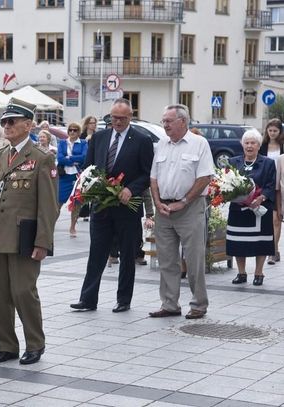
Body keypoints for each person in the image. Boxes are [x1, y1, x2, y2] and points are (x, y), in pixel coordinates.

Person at [0, 98, 59, 365]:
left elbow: (49, 207)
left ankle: (35, 344)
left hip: (24, 239)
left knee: (24, 293)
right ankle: (7, 345)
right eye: (4, 122)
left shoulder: (42, 158)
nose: (7, 125)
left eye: (12, 121)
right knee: (0, 296)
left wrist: (43, 242)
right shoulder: (0, 156)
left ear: (28, 125)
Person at [70, 99, 153, 313]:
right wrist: (88, 187)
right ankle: (87, 299)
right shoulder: (99, 137)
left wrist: (131, 190)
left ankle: (123, 299)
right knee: (96, 252)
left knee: (127, 253)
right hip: (101, 205)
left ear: (130, 117)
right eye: (114, 117)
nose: (117, 121)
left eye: (122, 118)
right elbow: (88, 168)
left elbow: (147, 173)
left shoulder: (142, 140)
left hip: (127, 206)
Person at [149, 104, 214, 319]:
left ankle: (198, 304)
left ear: (182, 121)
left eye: (168, 121)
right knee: (167, 259)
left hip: (190, 208)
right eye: (163, 121)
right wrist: (157, 202)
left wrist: (184, 202)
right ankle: (170, 304)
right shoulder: (161, 144)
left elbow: (205, 177)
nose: (164, 125)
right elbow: (153, 177)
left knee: (194, 258)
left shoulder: (199, 144)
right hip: (164, 210)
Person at [227, 130, 275, 286]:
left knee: (260, 242)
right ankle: (241, 273)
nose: (249, 146)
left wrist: (261, 198)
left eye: (253, 143)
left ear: (259, 145)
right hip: (238, 210)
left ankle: (258, 273)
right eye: (246, 143)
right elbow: (226, 184)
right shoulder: (233, 162)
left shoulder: (267, 163)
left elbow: (270, 184)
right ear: (242, 144)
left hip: (259, 210)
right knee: (238, 242)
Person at [57, 122, 87, 237]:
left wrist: (68, 158)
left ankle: (73, 227)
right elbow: (59, 158)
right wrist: (73, 160)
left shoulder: (83, 143)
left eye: (75, 130)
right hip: (64, 176)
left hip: (77, 176)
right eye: (70, 130)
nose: (72, 132)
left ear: (79, 132)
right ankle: (51, 224)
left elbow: (84, 157)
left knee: (77, 203)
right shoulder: (63, 143)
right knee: (58, 201)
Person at [260, 118, 284, 265]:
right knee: (266, 219)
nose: (273, 133)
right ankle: (268, 248)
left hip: (280, 186)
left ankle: (273, 251)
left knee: (277, 219)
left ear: (280, 132)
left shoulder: (283, 146)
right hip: (266, 185)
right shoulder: (262, 146)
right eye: (270, 130)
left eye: (275, 131)